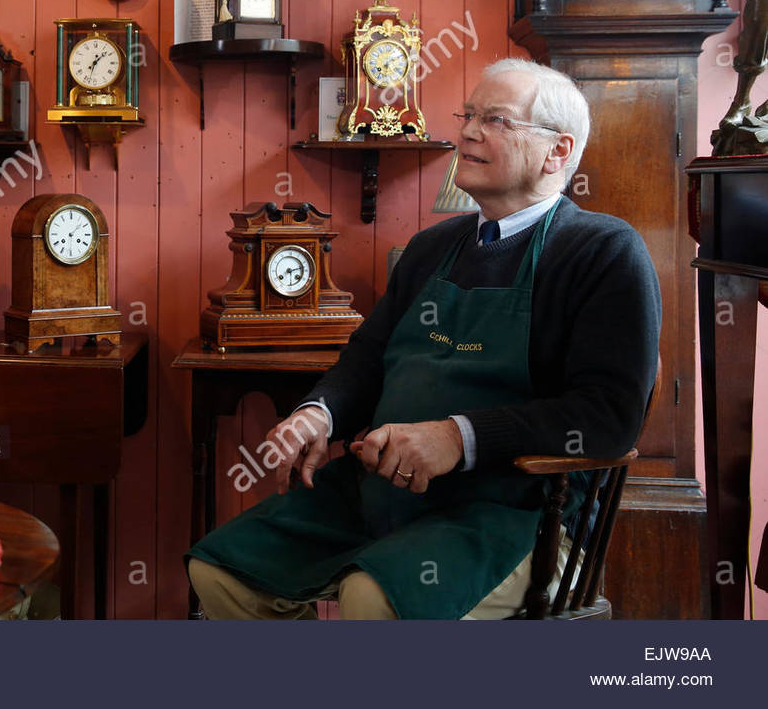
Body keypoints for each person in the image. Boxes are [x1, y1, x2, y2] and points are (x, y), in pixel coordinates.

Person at [187, 58, 661, 620]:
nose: (465, 131)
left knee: (374, 599)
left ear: (557, 151)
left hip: (518, 511)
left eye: (496, 120)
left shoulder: (602, 252)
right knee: (220, 572)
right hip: (386, 494)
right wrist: (321, 415)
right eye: (468, 115)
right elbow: (367, 361)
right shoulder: (432, 247)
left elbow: (607, 417)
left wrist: (457, 438)